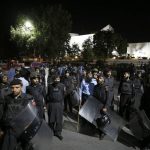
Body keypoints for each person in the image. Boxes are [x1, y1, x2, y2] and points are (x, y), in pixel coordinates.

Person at [0, 79, 34, 150]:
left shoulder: (28, 98)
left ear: (21, 87)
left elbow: (32, 115)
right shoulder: (7, 98)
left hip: (22, 130)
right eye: (12, 87)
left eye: (17, 87)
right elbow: (3, 113)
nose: (14, 89)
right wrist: (1, 129)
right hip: (9, 130)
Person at [46, 75, 65, 140]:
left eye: (58, 79)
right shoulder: (50, 86)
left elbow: (63, 94)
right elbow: (47, 95)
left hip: (59, 104)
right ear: (53, 80)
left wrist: (62, 104)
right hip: (51, 104)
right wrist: (47, 104)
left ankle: (58, 132)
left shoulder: (62, 86)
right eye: (56, 79)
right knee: (51, 119)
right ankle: (50, 131)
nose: (57, 80)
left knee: (59, 119)